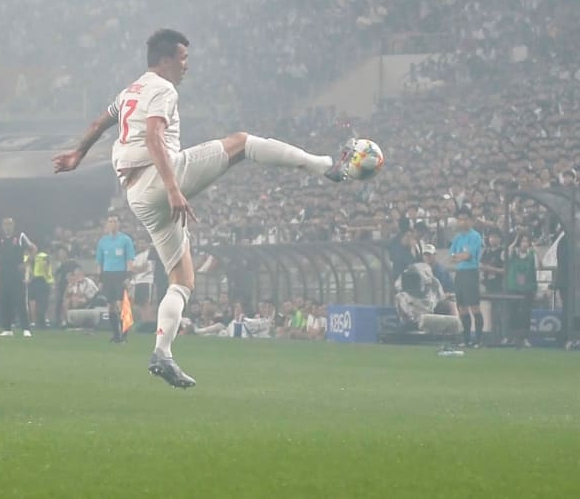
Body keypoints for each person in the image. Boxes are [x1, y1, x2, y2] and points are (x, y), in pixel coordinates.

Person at [53, 29, 355, 388]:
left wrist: (77, 153)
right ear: (164, 60)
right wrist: (173, 188)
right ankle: (328, 167)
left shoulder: (130, 90)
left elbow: (98, 123)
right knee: (242, 143)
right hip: (158, 178)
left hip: (135, 194)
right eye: (182, 59)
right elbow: (153, 137)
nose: (186, 66)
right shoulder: (163, 89)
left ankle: (162, 353)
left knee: (182, 280)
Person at [95, 215, 137, 343]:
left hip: (120, 275)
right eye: (110, 221)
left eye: (115, 221)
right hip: (108, 275)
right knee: (110, 306)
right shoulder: (103, 241)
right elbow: (99, 262)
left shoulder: (125, 240)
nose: (112, 224)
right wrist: (100, 279)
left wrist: (128, 276)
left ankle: (124, 334)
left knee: (122, 305)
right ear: (107, 224)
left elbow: (130, 259)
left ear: (119, 224)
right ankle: (116, 335)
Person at [0, 217, 36, 337]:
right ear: (2, 226)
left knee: (20, 299)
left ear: (13, 225)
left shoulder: (20, 236)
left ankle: (26, 328)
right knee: (4, 300)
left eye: (10, 224)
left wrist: (26, 264)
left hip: (17, 272)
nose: (7, 227)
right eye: (5, 224)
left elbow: (33, 249)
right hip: (4, 272)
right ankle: (7, 328)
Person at [450, 207, 485, 348]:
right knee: (462, 308)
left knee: (474, 307)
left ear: (470, 220)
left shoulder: (475, 236)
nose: (462, 222)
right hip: (459, 274)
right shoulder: (457, 238)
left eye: (465, 219)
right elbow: (452, 257)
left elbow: (469, 255)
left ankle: (479, 339)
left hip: (471, 272)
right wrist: (461, 257)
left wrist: (460, 257)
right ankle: (466, 339)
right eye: (460, 219)